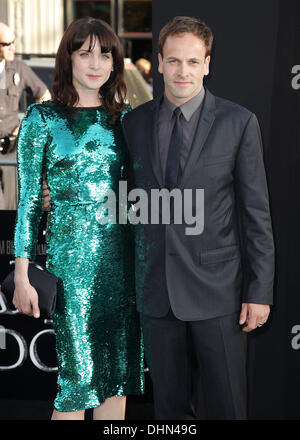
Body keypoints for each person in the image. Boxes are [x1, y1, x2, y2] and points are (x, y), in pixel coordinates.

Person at [122, 16, 275, 419]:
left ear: (207, 63)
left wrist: (259, 291)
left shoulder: (238, 122)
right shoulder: (133, 123)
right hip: (155, 293)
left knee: (227, 406)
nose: (182, 71)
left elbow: (256, 214)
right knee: (169, 410)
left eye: (192, 62)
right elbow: (124, 203)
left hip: (218, 292)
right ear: (158, 62)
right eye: (173, 61)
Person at [12, 17, 144, 420]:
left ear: (115, 64)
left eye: (105, 54)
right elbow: (29, 202)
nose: (95, 63)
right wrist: (21, 275)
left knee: (117, 385)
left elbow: (140, 194)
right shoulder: (42, 119)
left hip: (124, 269)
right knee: (75, 386)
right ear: (67, 58)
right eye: (85, 53)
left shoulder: (127, 119)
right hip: (72, 270)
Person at [0, 22, 51, 210]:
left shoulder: (18, 68)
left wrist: (27, 122)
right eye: (7, 44)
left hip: (10, 151)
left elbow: (44, 95)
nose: (13, 47)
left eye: (14, 42)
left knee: (9, 208)